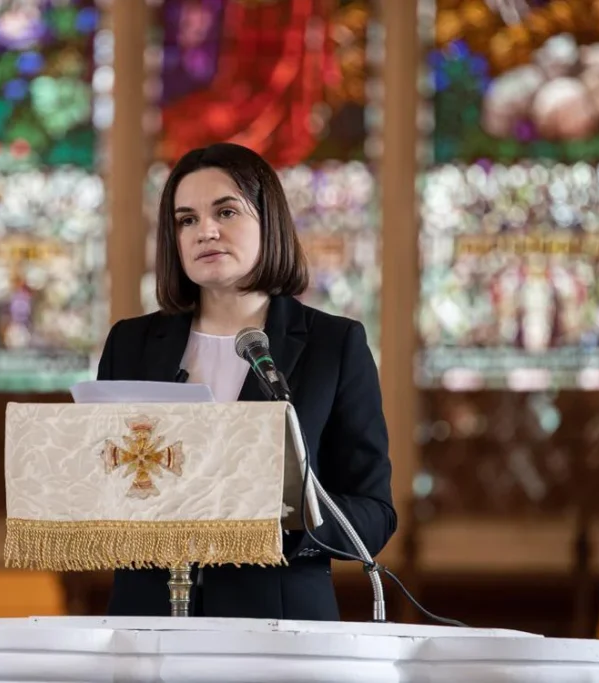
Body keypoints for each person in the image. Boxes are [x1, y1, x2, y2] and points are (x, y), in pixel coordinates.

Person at [96, 142, 396, 620]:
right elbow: (102, 483)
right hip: (148, 616)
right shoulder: (130, 344)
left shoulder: (332, 346)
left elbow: (375, 513)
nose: (205, 231)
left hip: (278, 623)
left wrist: (294, 518)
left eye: (226, 211)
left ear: (268, 220)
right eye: (186, 219)